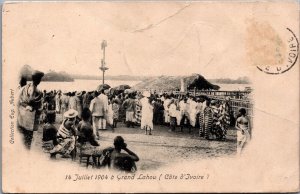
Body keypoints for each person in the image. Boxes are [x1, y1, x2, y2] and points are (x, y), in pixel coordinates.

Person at [17, 70, 44, 149]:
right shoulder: (37, 91)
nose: (39, 81)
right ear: (38, 80)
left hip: (21, 115)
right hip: (29, 117)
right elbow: (35, 103)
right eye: (39, 79)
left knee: (22, 136)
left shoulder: (24, 87)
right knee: (28, 138)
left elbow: (18, 99)